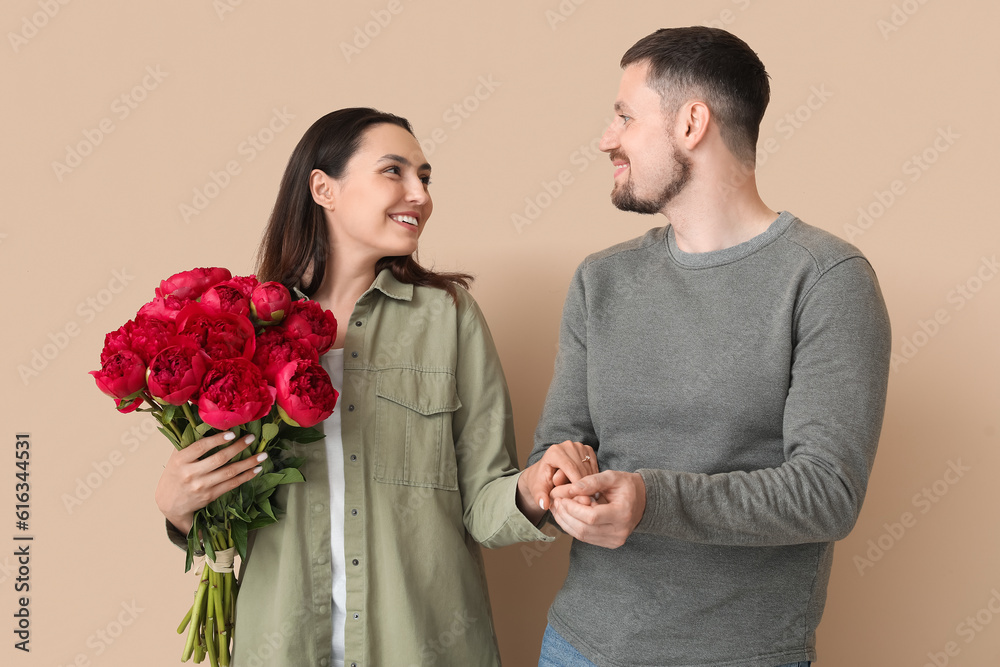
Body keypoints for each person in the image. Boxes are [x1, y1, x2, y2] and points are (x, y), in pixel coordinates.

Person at [154, 108, 596, 666]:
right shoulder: (242, 330)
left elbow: (484, 502)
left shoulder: (448, 318)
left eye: (426, 177)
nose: (420, 194)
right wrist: (178, 509)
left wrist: (535, 488)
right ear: (323, 188)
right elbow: (228, 514)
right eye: (394, 171)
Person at [528, 27, 892, 667]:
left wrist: (651, 500)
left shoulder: (826, 278)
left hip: (740, 655)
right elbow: (560, 440)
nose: (607, 138)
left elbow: (828, 491)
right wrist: (551, 481)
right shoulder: (600, 279)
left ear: (692, 122)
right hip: (578, 647)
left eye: (624, 116)